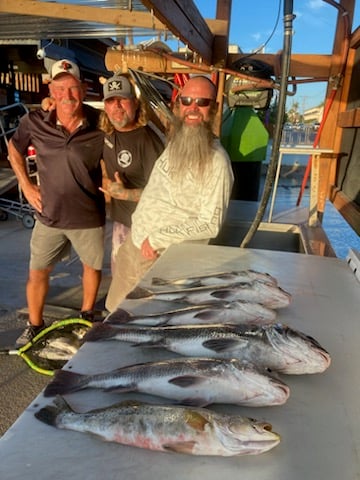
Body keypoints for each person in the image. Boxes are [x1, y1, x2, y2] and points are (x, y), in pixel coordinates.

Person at [105, 75, 234, 312]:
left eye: (202, 102)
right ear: (178, 106)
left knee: (139, 324)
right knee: (114, 313)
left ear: (214, 109)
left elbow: (210, 223)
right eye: (186, 101)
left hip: (159, 258)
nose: (192, 108)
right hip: (135, 247)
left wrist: (156, 239)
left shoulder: (217, 162)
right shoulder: (178, 142)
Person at [8, 59, 106, 346]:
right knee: (38, 272)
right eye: (59, 88)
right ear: (50, 89)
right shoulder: (36, 120)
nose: (67, 95)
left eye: (73, 88)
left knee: (92, 268)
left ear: (84, 89)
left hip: (89, 215)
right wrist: (26, 185)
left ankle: (86, 316)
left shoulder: (100, 122)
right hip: (48, 215)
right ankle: (34, 326)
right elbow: (13, 149)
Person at [98, 74, 164, 273]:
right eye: (111, 100)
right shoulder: (107, 133)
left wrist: (125, 194)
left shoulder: (148, 140)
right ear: (105, 107)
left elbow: (162, 194)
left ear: (135, 104)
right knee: (121, 282)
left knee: (141, 290)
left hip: (146, 230)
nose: (117, 106)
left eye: (123, 99)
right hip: (122, 224)